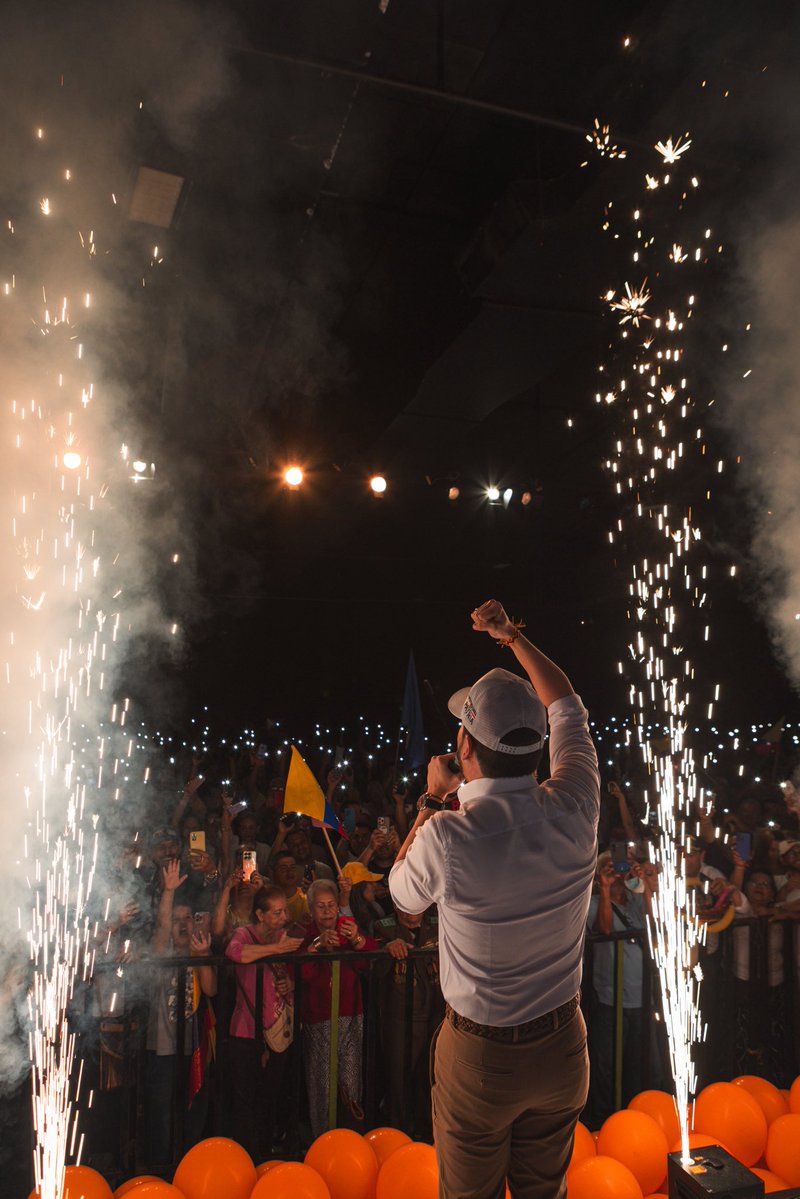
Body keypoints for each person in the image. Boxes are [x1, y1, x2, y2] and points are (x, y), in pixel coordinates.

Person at [389, 598, 599, 1199]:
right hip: (563, 1046)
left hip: (481, 1058)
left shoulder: (448, 834)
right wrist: (513, 639)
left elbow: (403, 898)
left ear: (465, 747)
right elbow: (568, 706)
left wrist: (431, 802)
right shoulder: (576, 801)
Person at [224, 885, 304, 1160]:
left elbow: (296, 973)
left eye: (285, 911)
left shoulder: (287, 937)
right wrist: (275, 949)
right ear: (260, 914)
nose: (284, 917)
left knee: (272, 1094)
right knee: (246, 1097)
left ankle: (268, 1154)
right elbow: (236, 954)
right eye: (277, 912)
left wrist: (289, 984)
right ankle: (246, 1156)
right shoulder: (244, 934)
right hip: (246, 1030)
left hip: (278, 1028)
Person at [299, 878, 377, 1138]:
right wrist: (318, 946)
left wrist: (356, 939)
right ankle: (322, 1138)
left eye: (331, 905)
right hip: (318, 1017)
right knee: (322, 1083)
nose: (327, 912)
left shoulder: (347, 926)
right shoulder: (305, 932)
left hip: (351, 1013)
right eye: (320, 906)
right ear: (311, 909)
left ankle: (350, 1137)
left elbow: (368, 960)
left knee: (350, 1080)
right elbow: (302, 975)